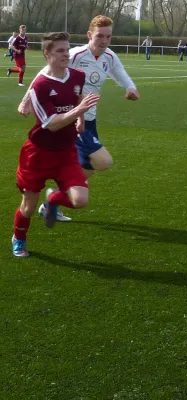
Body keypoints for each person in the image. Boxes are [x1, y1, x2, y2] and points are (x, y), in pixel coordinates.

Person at [19, 15, 140, 222]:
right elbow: (44, 74)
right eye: (100, 36)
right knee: (103, 161)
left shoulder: (109, 56)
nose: (104, 41)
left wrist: (130, 87)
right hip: (72, 120)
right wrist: (26, 100)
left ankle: (54, 200)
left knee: (90, 164)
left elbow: (120, 72)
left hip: (89, 119)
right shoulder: (75, 54)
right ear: (89, 35)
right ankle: (55, 197)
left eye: (108, 36)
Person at [12, 32, 100, 257]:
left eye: (67, 49)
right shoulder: (39, 86)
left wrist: (80, 118)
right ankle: (19, 237)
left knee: (80, 200)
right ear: (47, 54)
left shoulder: (78, 76)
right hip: (38, 154)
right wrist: (79, 112)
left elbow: (77, 97)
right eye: (60, 50)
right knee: (29, 208)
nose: (66, 54)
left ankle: (52, 199)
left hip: (65, 152)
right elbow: (51, 124)